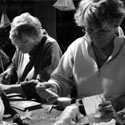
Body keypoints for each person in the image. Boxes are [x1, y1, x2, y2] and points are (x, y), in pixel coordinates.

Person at [34, 0, 125, 117]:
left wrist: (120, 115)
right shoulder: (77, 47)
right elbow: (61, 79)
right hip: (85, 116)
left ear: (116, 25)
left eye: (103, 31)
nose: (95, 37)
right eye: (90, 30)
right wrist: (53, 86)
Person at [0, 12, 62, 101]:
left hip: (47, 102)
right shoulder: (21, 44)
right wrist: (10, 71)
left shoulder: (50, 47)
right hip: (27, 100)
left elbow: (42, 87)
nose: (19, 48)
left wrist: (6, 89)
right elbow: (14, 64)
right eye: (16, 44)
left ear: (35, 37)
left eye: (23, 43)